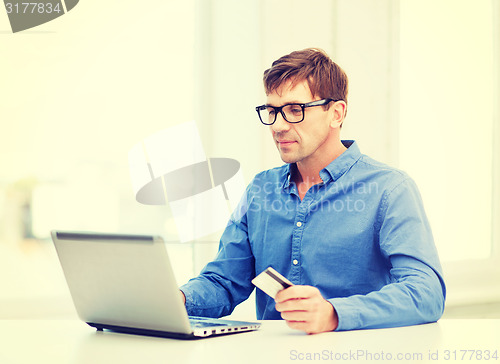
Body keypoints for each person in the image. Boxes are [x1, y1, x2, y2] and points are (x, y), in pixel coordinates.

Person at [180, 48, 445, 334]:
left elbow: (425, 292)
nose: (278, 126)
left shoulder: (390, 189)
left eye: (295, 110)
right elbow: (225, 282)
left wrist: (334, 314)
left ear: (336, 113)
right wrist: (177, 300)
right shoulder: (260, 189)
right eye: (272, 111)